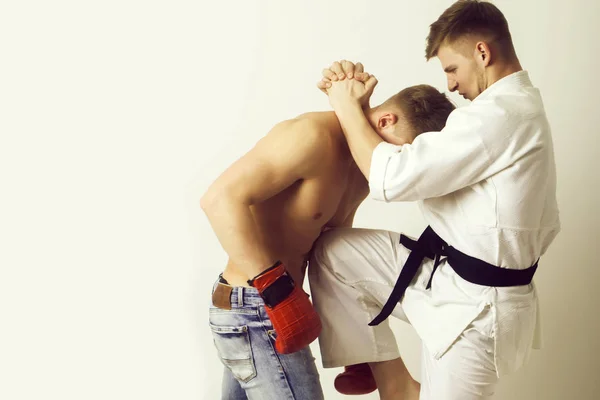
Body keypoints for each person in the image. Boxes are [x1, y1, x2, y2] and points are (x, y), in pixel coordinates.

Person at [312, 1, 560, 399]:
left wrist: (345, 105)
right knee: (334, 252)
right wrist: (357, 109)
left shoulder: (500, 115)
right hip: (442, 276)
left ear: (482, 52)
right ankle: (394, 384)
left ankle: (403, 392)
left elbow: (392, 178)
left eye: (451, 69)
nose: (450, 86)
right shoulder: (502, 111)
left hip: (479, 313)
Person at [200, 83, 455, 399]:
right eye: (404, 152)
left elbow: (330, 249)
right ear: (386, 121)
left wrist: (356, 335)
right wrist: (278, 293)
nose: (400, 167)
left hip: (274, 310)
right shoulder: (311, 136)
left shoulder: (365, 171)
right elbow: (219, 199)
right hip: (256, 308)